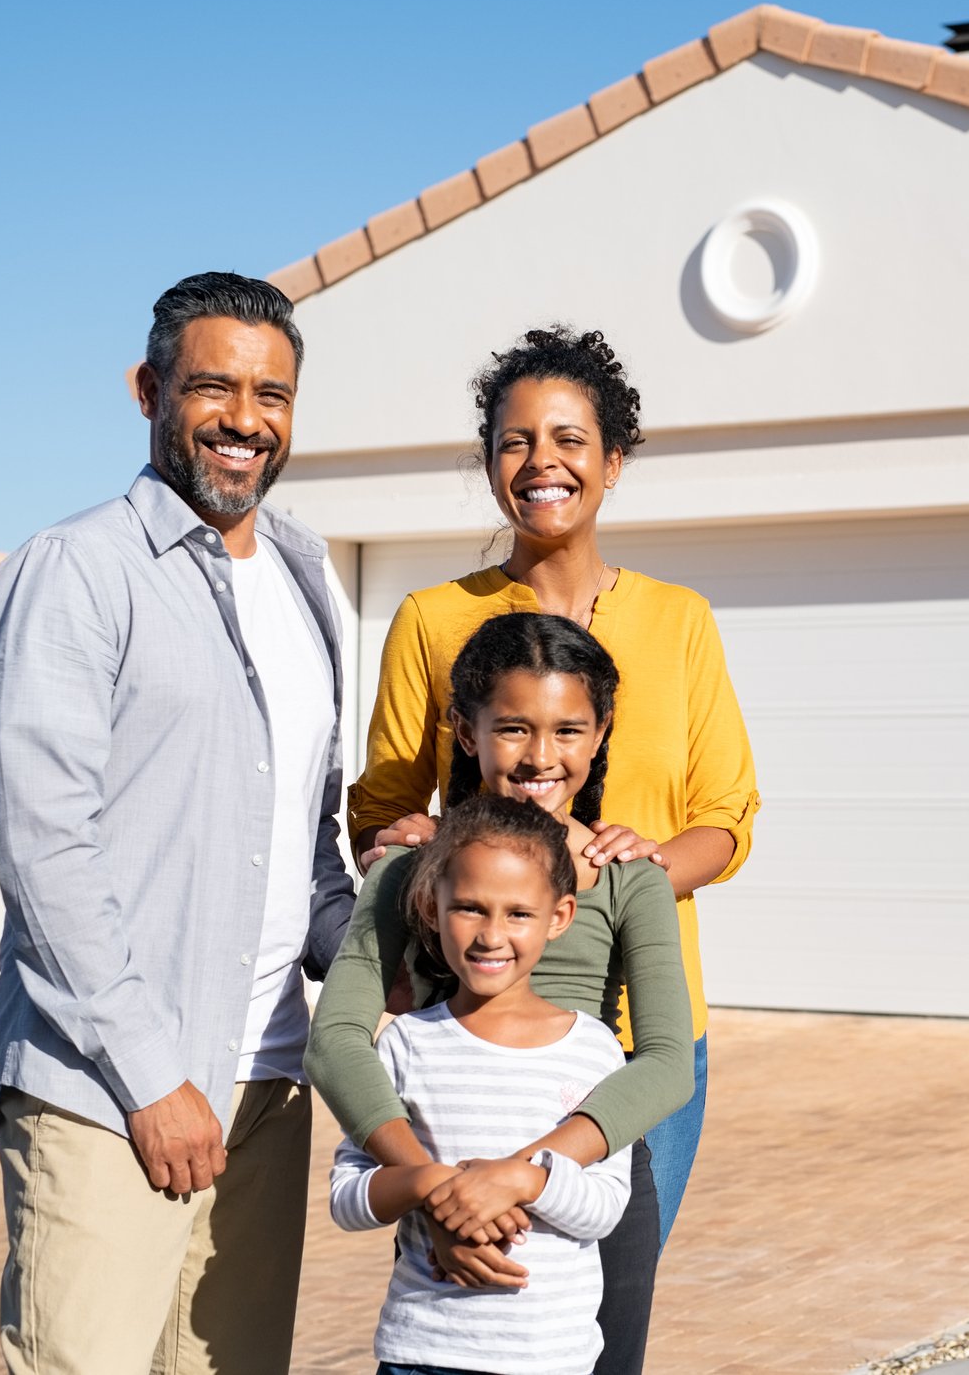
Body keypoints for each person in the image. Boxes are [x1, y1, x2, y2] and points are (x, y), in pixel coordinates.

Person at [0, 271, 353, 1374]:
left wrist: (399, 948)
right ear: (149, 390)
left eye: (272, 395)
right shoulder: (77, 570)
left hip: (272, 1087)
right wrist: (151, 1076)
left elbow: (307, 846)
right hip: (112, 1093)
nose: (246, 420)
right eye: (213, 387)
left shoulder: (305, 573)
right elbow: (42, 847)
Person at [345, 326, 757, 1249]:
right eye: (516, 441)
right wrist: (410, 849)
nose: (543, 463)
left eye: (570, 441)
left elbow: (727, 817)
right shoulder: (432, 621)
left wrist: (637, 868)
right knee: (484, 1271)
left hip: (646, 1030)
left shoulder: (678, 620)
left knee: (612, 1297)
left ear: (612, 462)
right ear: (491, 461)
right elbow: (379, 811)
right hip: (481, 1019)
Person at [309, 611, 690, 1375]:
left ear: (602, 731)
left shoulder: (631, 878)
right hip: (440, 1168)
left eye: (568, 730)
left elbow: (667, 1062)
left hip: (588, 1172)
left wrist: (514, 1178)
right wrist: (437, 1190)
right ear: (464, 728)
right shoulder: (406, 868)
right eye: (513, 728)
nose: (540, 756)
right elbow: (336, 1039)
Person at [329, 793, 633, 1375]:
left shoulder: (592, 1049)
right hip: (421, 1352)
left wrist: (524, 1180)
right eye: (469, 907)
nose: (491, 935)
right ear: (431, 906)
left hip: (551, 1359)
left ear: (560, 916)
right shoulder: (405, 1044)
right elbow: (347, 1198)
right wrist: (430, 1185)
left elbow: (605, 1209)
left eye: (518, 913)